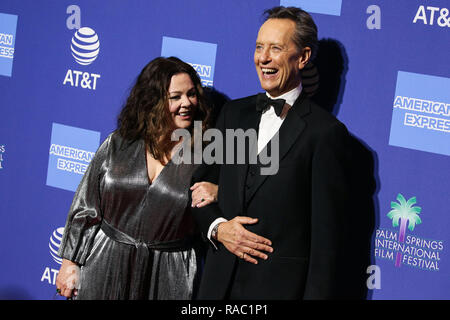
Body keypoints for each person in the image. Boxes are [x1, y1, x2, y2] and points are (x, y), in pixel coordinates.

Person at [191, 6, 364, 299]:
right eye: (259, 47)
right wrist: (218, 228)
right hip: (217, 289)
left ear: (304, 57)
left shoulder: (326, 134)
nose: (263, 58)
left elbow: (327, 248)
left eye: (276, 48)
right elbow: (197, 192)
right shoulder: (233, 114)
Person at [55, 56, 218, 300]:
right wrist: (70, 262)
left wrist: (220, 190)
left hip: (170, 272)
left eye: (192, 94)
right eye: (175, 97)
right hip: (105, 262)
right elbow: (86, 207)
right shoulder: (118, 143)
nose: (187, 103)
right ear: (153, 101)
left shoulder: (208, 153)